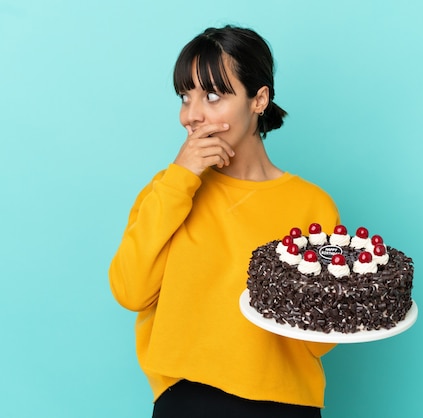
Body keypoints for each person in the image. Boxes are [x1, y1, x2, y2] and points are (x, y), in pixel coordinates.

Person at [109, 25, 340, 418]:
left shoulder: (311, 206)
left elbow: (319, 340)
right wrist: (181, 177)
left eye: (213, 96)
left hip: (287, 404)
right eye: (185, 97)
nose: (192, 115)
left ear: (259, 99)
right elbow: (131, 292)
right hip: (188, 401)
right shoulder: (169, 191)